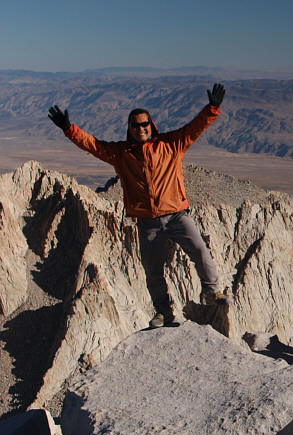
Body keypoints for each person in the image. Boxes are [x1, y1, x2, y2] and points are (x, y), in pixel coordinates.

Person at [48, 83, 232, 329]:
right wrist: (68, 129)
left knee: (200, 251)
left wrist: (212, 108)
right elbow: (93, 145)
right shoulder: (121, 153)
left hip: (176, 215)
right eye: (135, 125)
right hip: (148, 222)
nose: (140, 128)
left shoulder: (171, 144)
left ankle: (212, 293)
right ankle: (164, 312)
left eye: (144, 124)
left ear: (151, 124)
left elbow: (195, 128)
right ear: (129, 128)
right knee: (153, 270)